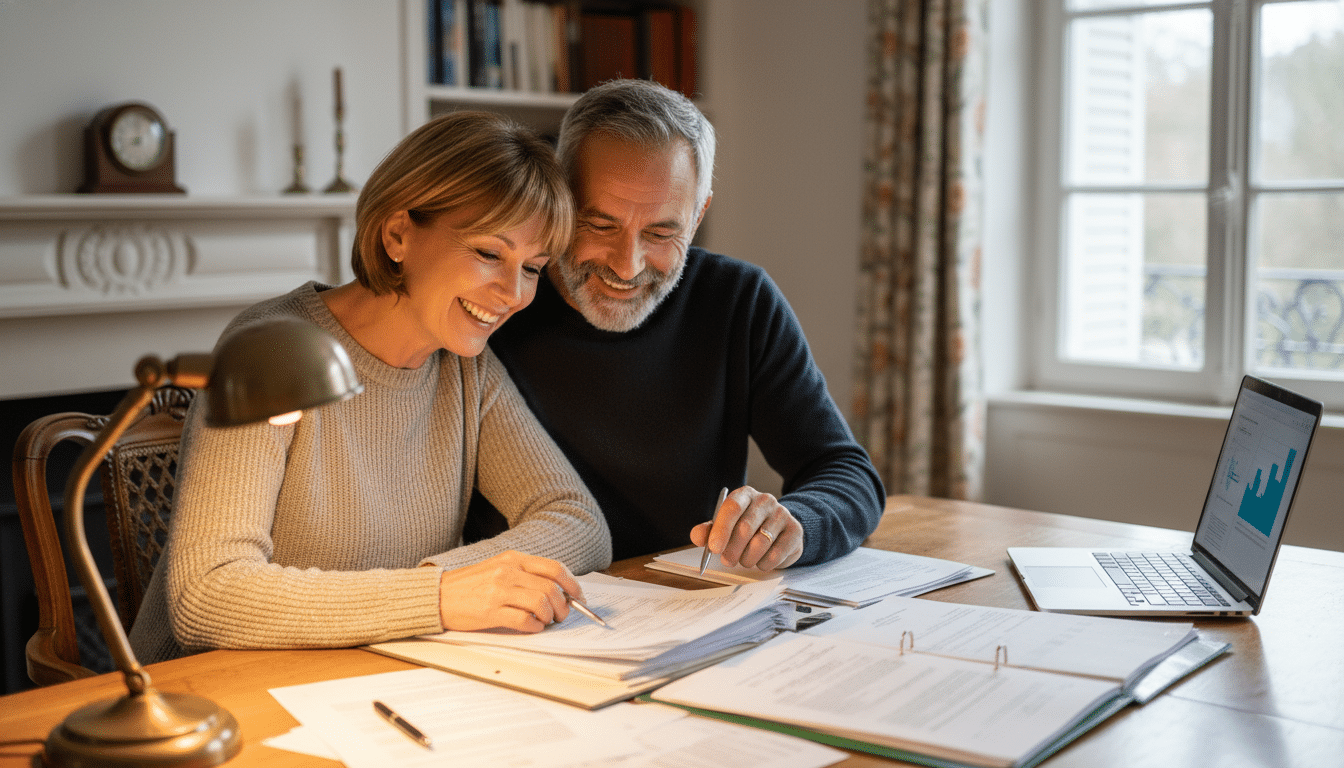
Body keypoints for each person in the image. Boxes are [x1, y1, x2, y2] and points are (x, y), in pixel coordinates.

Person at [130, 111, 611, 665]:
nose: (512, 293)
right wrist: (439, 597)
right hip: (204, 696)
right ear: (398, 234)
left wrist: (441, 588)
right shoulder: (274, 348)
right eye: (488, 253)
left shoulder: (465, 369)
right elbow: (206, 596)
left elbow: (580, 522)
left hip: (366, 671)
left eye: (532, 268)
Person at [477, 79, 885, 571]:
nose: (627, 266)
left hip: (690, 602)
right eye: (601, 225)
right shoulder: (493, 305)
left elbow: (844, 471)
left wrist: (794, 524)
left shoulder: (738, 300)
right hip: (525, 612)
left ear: (697, 216)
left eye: (660, 232)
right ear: (560, 197)